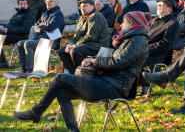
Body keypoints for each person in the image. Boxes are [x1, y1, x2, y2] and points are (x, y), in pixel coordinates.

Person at [13, 11, 151, 132]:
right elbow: (112, 58)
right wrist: (93, 59)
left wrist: (93, 61)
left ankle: (36, 112)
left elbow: (117, 64)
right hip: (108, 82)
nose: (121, 25)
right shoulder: (131, 39)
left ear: (134, 23)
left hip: (115, 87)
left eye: (125, 22)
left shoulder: (138, 41)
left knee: (61, 78)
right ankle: (73, 129)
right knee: (62, 93)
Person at [138, 0, 180, 95]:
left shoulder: (173, 23)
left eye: (162, 5)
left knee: (135, 59)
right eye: (158, 5)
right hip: (144, 50)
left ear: (170, 8)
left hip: (158, 55)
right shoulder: (153, 21)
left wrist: (145, 49)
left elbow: (166, 44)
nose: (159, 7)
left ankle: (144, 85)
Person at [58, 0, 110, 74]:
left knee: (75, 51)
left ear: (92, 7)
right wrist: (71, 44)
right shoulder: (82, 17)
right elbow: (77, 34)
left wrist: (75, 45)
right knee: (62, 51)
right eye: (81, 6)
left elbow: (91, 36)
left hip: (98, 45)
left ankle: (83, 73)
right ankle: (73, 73)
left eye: (85, 6)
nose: (82, 8)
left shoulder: (96, 16)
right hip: (87, 44)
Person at [18, 0, 64, 73]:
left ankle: (31, 68)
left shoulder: (58, 14)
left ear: (56, 3)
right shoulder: (44, 14)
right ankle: (24, 67)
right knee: (20, 43)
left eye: (50, 1)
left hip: (50, 41)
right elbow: (36, 25)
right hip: (40, 37)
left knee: (28, 44)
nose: (48, 3)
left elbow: (50, 27)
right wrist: (43, 27)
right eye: (47, 1)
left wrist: (42, 26)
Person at [0, 0, 35, 68]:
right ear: (18, 5)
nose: (22, 6)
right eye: (21, 4)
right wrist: (3, 29)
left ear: (28, 5)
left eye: (24, 4)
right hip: (10, 35)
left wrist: (8, 30)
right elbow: (10, 26)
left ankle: (3, 63)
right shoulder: (15, 15)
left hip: (21, 37)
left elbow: (25, 30)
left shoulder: (29, 15)